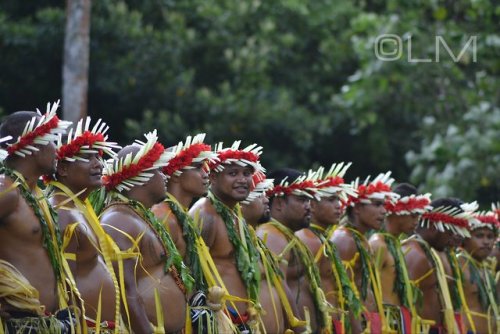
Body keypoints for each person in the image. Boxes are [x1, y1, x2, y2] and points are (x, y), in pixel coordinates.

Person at [0, 101, 82, 332]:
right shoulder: (7, 192)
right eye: (51, 141)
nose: (57, 149)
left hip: (48, 321)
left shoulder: (37, 196)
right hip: (17, 322)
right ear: (32, 145)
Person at [100, 130, 193, 333]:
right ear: (140, 177)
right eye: (159, 171)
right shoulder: (119, 220)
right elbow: (125, 290)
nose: (165, 175)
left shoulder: (137, 216)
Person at [45, 117, 122, 332]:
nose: (99, 164)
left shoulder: (80, 208)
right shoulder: (61, 211)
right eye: (88, 158)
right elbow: (60, 282)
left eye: (98, 157)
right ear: (63, 169)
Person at [189, 141, 264, 333]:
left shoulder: (236, 215)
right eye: (233, 173)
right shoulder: (205, 215)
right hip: (217, 322)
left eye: (247, 174)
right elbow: (188, 273)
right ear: (213, 177)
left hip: (240, 321)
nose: (242, 179)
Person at [151, 133, 222, 333]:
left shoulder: (182, 217)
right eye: (198, 167)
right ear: (175, 173)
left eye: (206, 167)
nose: (206, 173)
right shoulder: (163, 217)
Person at [257, 168, 332, 333]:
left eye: (309, 200)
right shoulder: (271, 235)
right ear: (279, 203)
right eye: (301, 199)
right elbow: (277, 289)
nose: (309, 207)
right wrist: (299, 327)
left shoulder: (288, 237)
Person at [295, 163, 361, 334]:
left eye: (339, 199)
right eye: (331, 200)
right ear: (313, 206)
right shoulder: (307, 239)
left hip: (334, 324)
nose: (339, 205)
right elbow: (302, 291)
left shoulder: (323, 239)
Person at [330, 172, 398, 333]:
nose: (383, 211)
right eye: (377, 204)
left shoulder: (360, 239)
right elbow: (343, 293)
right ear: (358, 208)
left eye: (384, 205)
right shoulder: (345, 240)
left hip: (367, 321)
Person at [368, 183, 431, 333]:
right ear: (397, 211)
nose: (416, 221)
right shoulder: (378, 244)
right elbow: (368, 289)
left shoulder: (396, 246)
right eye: (413, 215)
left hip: (399, 322)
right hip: (385, 323)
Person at [402, 197, 470, 333]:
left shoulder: (441, 254)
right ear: (434, 227)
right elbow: (403, 303)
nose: (455, 238)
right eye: (451, 232)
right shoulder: (414, 254)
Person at [458, 209, 499, 333]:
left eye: (490, 237)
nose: (486, 242)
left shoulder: (486, 268)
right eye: (479, 236)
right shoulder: (457, 265)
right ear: (464, 239)